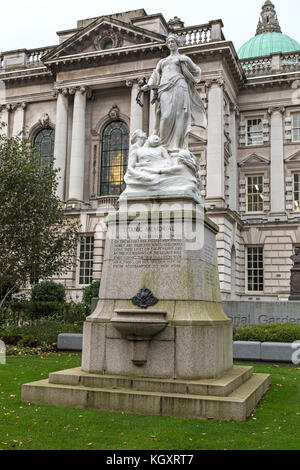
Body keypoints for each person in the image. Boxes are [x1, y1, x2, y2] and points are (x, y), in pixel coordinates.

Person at [142, 34, 207, 152]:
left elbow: (197, 71)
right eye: (169, 42)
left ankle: (176, 145)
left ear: (177, 43)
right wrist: (149, 85)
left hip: (179, 86)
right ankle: (163, 145)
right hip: (164, 88)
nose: (171, 44)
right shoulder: (163, 61)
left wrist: (187, 61)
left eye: (173, 42)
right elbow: (156, 74)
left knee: (179, 116)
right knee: (165, 116)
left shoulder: (183, 58)